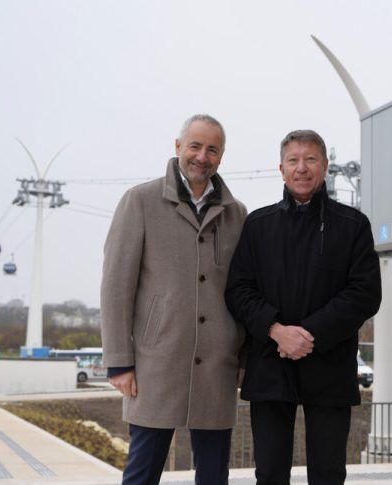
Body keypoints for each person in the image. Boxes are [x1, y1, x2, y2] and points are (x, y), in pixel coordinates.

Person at [225, 129, 382, 485]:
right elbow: (238, 290)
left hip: (330, 364)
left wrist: (309, 335)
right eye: (293, 160)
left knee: (328, 473)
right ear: (281, 169)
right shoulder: (258, 225)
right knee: (269, 473)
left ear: (325, 166)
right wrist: (276, 330)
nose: (301, 168)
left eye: (310, 159)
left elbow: (365, 293)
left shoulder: (353, 225)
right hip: (270, 361)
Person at [101, 114, 246, 485]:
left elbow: (245, 291)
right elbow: (116, 287)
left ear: (221, 156)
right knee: (142, 473)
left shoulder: (236, 214)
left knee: (213, 476)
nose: (202, 156)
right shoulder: (140, 201)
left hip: (217, 366)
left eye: (212, 150)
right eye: (195, 146)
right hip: (155, 365)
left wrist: (243, 357)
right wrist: (119, 362)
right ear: (178, 146)